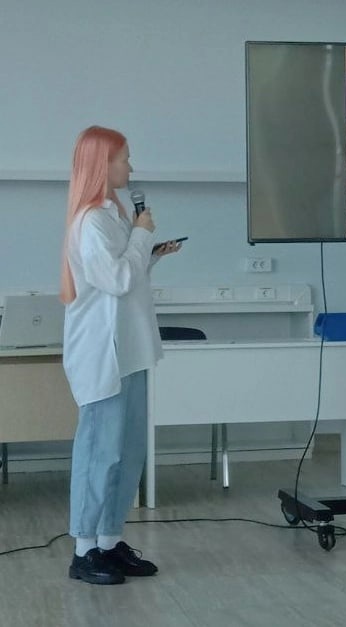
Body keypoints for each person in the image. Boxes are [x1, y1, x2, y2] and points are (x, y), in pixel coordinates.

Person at [60, 125, 182, 585]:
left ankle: (109, 542)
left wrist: (150, 252)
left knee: (128, 452)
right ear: (102, 165)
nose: (130, 167)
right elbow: (115, 280)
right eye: (124, 159)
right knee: (101, 453)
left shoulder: (113, 216)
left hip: (131, 350)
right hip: (103, 355)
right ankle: (84, 550)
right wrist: (141, 237)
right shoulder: (90, 221)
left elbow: (125, 276)